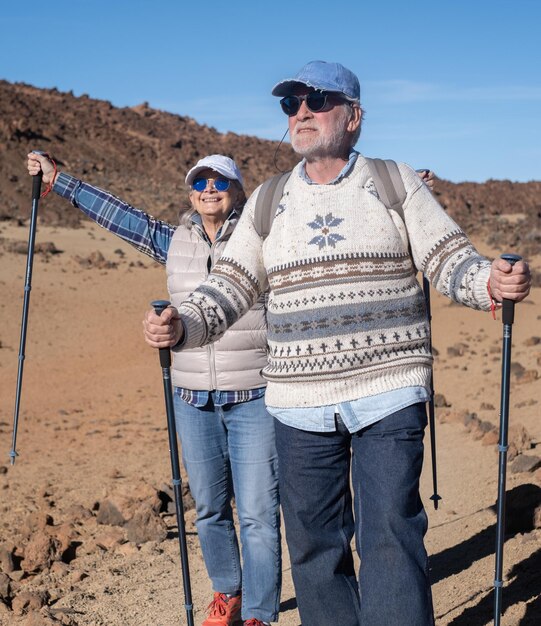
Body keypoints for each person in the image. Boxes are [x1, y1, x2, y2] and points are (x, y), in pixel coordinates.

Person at [143, 60, 532, 626]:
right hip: (298, 403)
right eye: (290, 104)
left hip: (388, 390)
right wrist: (183, 325)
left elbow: (449, 260)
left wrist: (491, 283)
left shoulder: (395, 181)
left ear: (353, 116)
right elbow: (228, 286)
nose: (301, 112)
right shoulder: (268, 200)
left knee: (391, 537)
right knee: (314, 549)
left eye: (316, 100)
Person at [27, 152, 281, 626]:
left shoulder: (261, 238)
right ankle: (228, 594)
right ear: (190, 192)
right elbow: (121, 216)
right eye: (200, 181)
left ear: (237, 189)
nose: (209, 189)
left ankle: (261, 615)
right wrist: (61, 181)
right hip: (191, 397)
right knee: (208, 508)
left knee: (259, 513)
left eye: (220, 181)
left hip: (253, 395)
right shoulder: (176, 240)